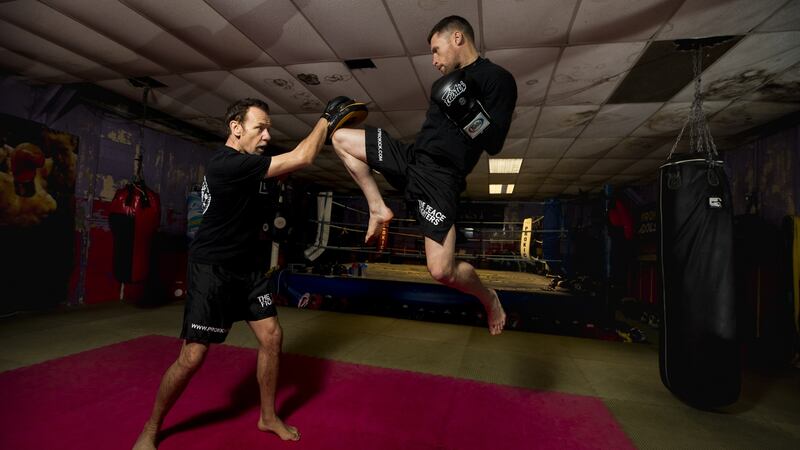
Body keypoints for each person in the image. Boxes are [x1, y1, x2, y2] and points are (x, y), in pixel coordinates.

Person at [133, 97, 366, 449]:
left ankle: (268, 416)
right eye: (260, 127)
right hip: (213, 268)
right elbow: (301, 157)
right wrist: (327, 120)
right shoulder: (227, 164)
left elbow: (291, 167)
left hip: (248, 267)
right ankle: (151, 428)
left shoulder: (251, 166)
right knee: (193, 356)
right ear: (236, 128)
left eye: (268, 128)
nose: (267, 135)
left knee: (272, 336)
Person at [330, 15, 517, 335]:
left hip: (441, 179)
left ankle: (488, 298)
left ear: (457, 38)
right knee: (339, 137)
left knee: (441, 271)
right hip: (412, 159)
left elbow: (495, 143)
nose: (434, 60)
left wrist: (467, 109)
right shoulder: (445, 83)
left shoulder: (497, 79)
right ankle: (378, 207)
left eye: (436, 49)